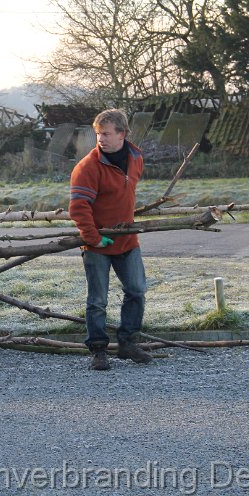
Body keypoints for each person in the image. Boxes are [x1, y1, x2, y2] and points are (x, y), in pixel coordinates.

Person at [69, 109, 153, 370]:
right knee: (98, 300)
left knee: (136, 290)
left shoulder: (136, 158)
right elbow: (79, 207)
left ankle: (127, 342)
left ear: (122, 134)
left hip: (128, 241)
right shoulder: (87, 167)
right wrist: (93, 238)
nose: (100, 139)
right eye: (98, 134)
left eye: (106, 134)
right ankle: (98, 350)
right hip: (97, 245)